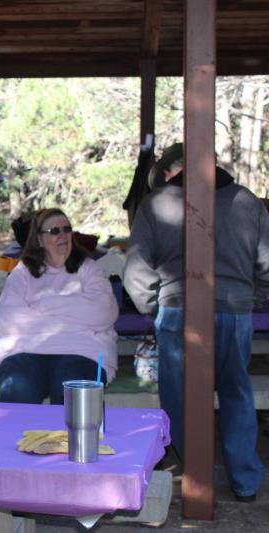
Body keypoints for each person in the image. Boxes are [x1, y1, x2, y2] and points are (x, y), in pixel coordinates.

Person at [123, 142, 267, 503]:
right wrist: (249, 297)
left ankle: (199, 473)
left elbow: (136, 269)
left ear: (174, 170)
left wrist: (154, 305)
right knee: (236, 393)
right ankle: (245, 479)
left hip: (178, 311)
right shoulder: (247, 201)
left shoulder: (156, 204)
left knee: (179, 398)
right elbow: (267, 263)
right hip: (234, 311)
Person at [0, 208, 118, 404]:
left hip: (83, 351)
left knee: (73, 395)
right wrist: (75, 318)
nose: (63, 235)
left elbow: (103, 312)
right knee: (19, 390)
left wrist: (41, 305)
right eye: (54, 231)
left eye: (67, 229)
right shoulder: (23, 273)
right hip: (25, 351)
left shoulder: (89, 269)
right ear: (40, 240)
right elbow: (4, 320)